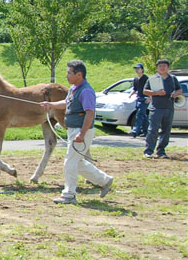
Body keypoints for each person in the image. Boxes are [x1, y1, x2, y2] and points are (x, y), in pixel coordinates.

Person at [40, 60, 113, 205]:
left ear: (79, 74)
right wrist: (51, 105)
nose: (66, 75)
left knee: (70, 162)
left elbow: (90, 113)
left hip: (80, 131)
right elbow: (66, 103)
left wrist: (82, 133)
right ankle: (104, 180)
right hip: (75, 130)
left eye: (69, 73)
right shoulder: (75, 88)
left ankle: (69, 194)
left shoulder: (86, 91)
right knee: (77, 162)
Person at [142, 58, 182, 159]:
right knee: (153, 129)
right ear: (157, 68)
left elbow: (179, 89)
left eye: (164, 66)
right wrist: (156, 93)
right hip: (156, 108)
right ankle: (148, 151)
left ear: (168, 68)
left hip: (169, 108)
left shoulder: (173, 78)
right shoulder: (152, 78)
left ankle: (161, 151)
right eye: (160, 66)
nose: (162, 68)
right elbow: (145, 91)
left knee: (166, 130)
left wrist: (176, 94)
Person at [128, 63, 149, 137]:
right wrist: (131, 94)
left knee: (139, 114)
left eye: (138, 69)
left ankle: (135, 131)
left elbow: (150, 88)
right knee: (144, 116)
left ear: (142, 70)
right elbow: (135, 88)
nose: (137, 70)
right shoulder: (136, 79)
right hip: (138, 98)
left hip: (145, 99)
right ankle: (146, 131)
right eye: (136, 69)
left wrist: (150, 98)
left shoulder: (146, 78)